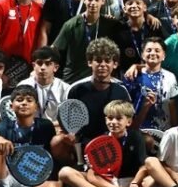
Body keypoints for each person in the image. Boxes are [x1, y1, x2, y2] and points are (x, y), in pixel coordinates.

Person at [59, 100, 154, 187]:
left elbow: (143, 167)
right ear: (105, 120)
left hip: (129, 183)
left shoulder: (136, 137)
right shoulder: (99, 142)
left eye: (118, 118)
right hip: (106, 184)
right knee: (64, 172)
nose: (113, 122)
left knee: (154, 179)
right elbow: (91, 177)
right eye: (110, 118)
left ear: (128, 122)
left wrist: (134, 183)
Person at [52, 38, 130, 166]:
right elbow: (67, 121)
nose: (102, 65)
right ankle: (76, 168)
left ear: (115, 64)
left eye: (107, 61)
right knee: (57, 142)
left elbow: (127, 123)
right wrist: (70, 134)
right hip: (81, 141)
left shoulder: (121, 91)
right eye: (98, 60)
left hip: (112, 141)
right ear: (89, 62)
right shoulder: (76, 89)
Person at [52, 0, 123, 83]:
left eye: (96, 0)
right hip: (73, 77)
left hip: (100, 77)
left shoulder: (110, 24)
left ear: (103, 1)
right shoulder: (71, 25)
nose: (93, 3)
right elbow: (54, 50)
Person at [124, 37, 178, 130]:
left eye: (157, 50)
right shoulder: (132, 75)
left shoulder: (170, 77)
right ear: (142, 55)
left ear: (164, 55)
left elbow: (172, 106)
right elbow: (125, 107)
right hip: (139, 129)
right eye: (149, 50)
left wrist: (175, 130)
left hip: (164, 130)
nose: (153, 53)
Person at [17, 46, 70, 127]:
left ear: (55, 68)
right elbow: (17, 115)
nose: (43, 67)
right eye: (39, 63)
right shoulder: (23, 86)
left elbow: (68, 119)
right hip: (29, 128)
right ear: (34, 66)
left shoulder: (65, 89)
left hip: (54, 128)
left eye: (48, 64)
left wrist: (46, 126)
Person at [115, 0, 158, 75]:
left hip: (152, 72)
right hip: (127, 74)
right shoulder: (118, 29)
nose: (134, 6)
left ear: (145, 7)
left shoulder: (154, 27)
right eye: (130, 3)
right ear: (124, 9)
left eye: (138, 3)